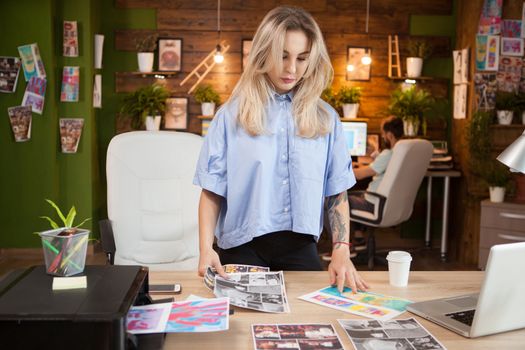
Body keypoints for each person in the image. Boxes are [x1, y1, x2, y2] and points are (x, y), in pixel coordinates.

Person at [193, 6, 369, 293]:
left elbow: (336, 192)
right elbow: (212, 190)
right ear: (264, 53)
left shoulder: (326, 119)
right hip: (241, 251)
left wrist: (341, 250)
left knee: (312, 328)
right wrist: (205, 248)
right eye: (283, 56)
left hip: (300, 250)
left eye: (302, 58)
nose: (291, 69)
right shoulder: (231, 116)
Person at [349, 116, 404, 249]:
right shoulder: (399, 154)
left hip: (374, 204)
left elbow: (360, 175)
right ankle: (359, 238)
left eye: (383, 133)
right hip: (385, 203)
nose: (383, 137)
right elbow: (384, 165)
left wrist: (341, 168)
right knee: (359, 197)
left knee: (338, 199)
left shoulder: (388, 154)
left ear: (389, 135)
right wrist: (374, 154)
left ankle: (341, 246)